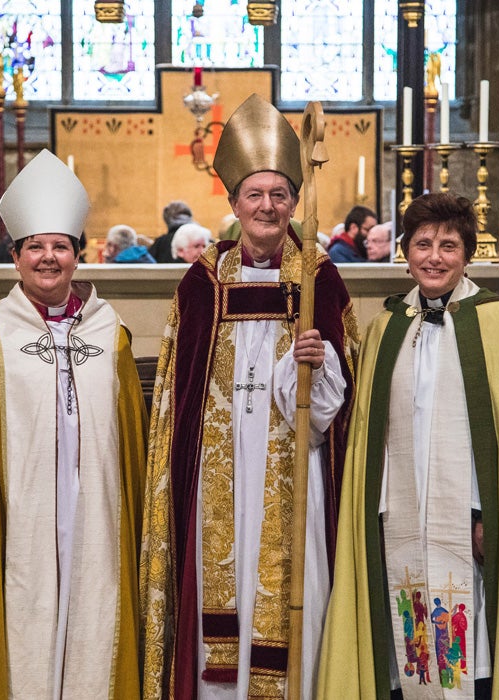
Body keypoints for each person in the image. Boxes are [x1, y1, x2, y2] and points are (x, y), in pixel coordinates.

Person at [318, 192, 499, 699]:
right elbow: (373, 439)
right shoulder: (384, 328)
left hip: (469, 526)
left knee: (472, 655)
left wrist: (488, 518)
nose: (434, 257)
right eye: (422, 244)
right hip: (398, 523)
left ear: (468, 254)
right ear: (404, 251)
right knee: (408, 652)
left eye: (448, 245)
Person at [139, 93, 358, 700]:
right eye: (254, 195)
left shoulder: (319, 279)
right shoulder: (202, 283)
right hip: (220, 478)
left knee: (302, 602)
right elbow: (179, 407)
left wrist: (317, 369)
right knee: (221, 599)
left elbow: (332, 419)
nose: (267, 206)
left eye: (279, 195)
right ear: (234, 202)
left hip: (299, 476)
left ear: (293, 202)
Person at [0, 149, 147, 698]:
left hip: (96, 524)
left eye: (59, 246)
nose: (47, 258)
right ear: (15, 256)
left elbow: (132, 458)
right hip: (20, 527)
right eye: (34, 246)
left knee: (96, 615)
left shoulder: (111, 337)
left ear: (77, 257)